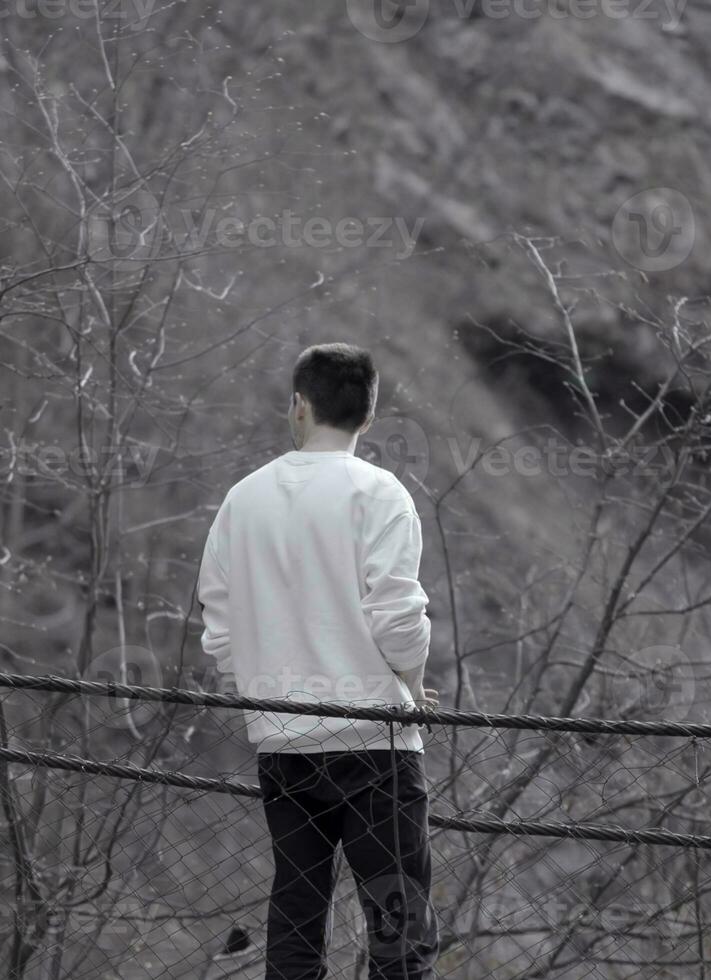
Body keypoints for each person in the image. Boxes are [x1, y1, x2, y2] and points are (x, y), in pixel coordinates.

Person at [196, 342, 439, 980]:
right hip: (375, 747)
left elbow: (218, 634)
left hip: (283, 740)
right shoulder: (381, 495)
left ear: (299, 405)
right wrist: (411, 687)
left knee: (297, 919)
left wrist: (262, 681)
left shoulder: (242, 500)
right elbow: (398, 620)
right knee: (397, 928)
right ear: (368, 415)